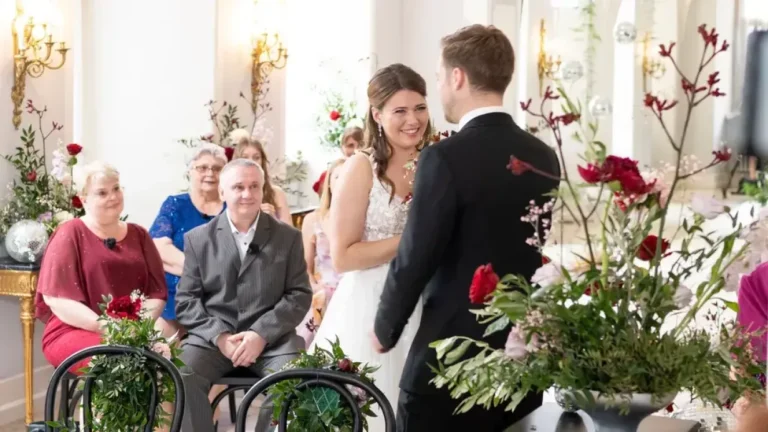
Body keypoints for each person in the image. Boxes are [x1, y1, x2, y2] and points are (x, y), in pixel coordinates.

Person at [372, 25, 560, 431]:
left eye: (439, 77)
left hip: (450, 359)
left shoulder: (444, 157)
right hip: (519, 356)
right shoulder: (544, 155)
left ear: (458, 77)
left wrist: (385, 327)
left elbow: (416, 255)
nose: (439, 88)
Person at [309, 63, 430, 431]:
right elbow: (344, 256)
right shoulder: (362, 167)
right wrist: (414, 242)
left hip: (429, 300)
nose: (413, 120)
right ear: (377, 115)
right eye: (400, 111)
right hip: (370, 302)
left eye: (420, 108)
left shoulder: (435, 159)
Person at [175, 158, 312, 432]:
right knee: (182, 372)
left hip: (272, 341)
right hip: (214, 341)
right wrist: (221, 337)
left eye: (254, 186)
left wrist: (261, 334)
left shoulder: (289, 237)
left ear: (263, 190)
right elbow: (186, 301)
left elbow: (299, 295)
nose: (247, 194)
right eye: (238, 187)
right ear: (222, 192)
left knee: (290, 376)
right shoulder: (198, 239)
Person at [35, 161, 167, 373]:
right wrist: (106, 327)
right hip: (73, 330)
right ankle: (91, 408)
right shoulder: (69, 233)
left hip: (130, 332)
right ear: (84, 198)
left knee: (158, 356)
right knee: (118, 360)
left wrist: (137, 327)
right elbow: (57, 299)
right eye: (102, 193)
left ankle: (153, 408)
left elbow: (156, 293)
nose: (113, 197)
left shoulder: (139, 235)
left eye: (116, 188)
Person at [149, 144, 227, 338]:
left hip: (221, 298)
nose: (210, 173)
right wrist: (202, 272)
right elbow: (159, 248)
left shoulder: (232, 209)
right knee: (158, 339)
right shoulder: (175, 204)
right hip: (174, 297)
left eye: (217, 168)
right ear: (190, 172)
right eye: (202, 167)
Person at [296, 158, 345, 347]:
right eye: (337, 177)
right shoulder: (313, 219)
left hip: (352, 290)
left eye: (347, 177)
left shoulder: (365, 218)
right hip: (324, 291)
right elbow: (304, 269)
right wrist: (317, 289)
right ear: (329, 184)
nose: (342, 182)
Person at [231, 130, 293, 225]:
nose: (251, 162)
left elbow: (291, 237)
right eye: (245, 157)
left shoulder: (276, 193)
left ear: (262, 161)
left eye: (256, 157)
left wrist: (273, 220)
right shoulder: (229, 193)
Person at [312, 126, 364, 197]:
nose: (356, 150)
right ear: (342, 148)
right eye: (350, 145)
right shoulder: (330, 173)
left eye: (361, 145)